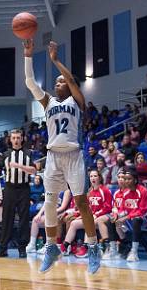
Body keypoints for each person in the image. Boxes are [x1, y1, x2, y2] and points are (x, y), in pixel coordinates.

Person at [23, 38, 102, 274]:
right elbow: (29, 82)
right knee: (49, 202)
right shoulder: (48, 102)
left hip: (74, 156)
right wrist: (28, 55)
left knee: (81, 203)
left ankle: (93, 246)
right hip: (53, 157)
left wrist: (55, 60)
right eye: (56, 82)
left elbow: (68, 78)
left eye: (60, 82)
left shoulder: (77, 101)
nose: (57, 84)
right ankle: (51, 247)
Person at [0, 130, 36, 258]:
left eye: (18, 137)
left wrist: (19, 166)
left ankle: (22, 248)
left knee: (23, 219)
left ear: (22, 138)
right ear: (10, 139)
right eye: (14, 138)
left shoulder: (28, 153)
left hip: (24, 189)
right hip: (9, 189)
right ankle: (3, 248)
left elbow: (34, 170)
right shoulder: (6, 154)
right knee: (7, 218)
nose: (16, 140)